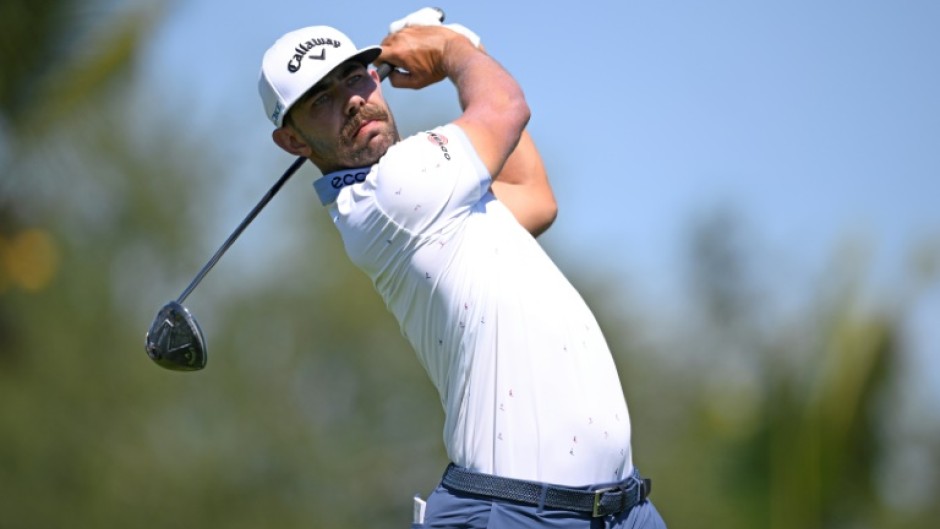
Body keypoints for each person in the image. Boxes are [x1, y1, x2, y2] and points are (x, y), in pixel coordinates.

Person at [258, 15, 667, 529]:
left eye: (356, 76)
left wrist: (472, 48)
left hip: (621, 510)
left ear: (377, 79)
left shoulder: (434, 199)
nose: (353, 100)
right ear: (293, 142)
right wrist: (453, 51)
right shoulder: (397, 189)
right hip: (514, 512)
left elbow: (535, 198)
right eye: (321, 99)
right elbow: (505, 107)